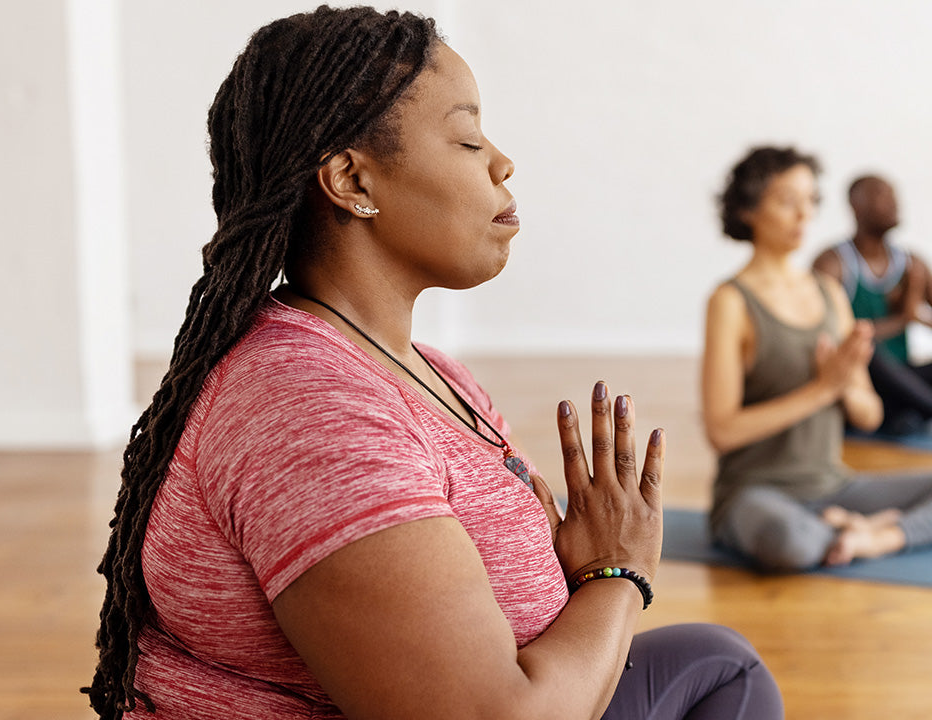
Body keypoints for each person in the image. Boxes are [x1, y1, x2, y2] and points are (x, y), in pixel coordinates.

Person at [84, 7, 783, 719]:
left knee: (719, 667)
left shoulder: (430, 371)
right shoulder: (310, 408)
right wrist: (618, 571)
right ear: (352, 181)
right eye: (467, 138)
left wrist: (567, 570)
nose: (502, 162)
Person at [702, 146, 932, 572]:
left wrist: (847, 385)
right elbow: (722, 431)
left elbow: (869, 414)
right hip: (756, 493)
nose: (803, 215)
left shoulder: (829, 294)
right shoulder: (730, 301)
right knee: (792, 542)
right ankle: (850, 530)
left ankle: (874, 537)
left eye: (810, 201)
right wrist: (821, 389)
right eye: (787, 201)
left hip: (834, 486)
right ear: (749, 209)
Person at [812, 175, 932, 435]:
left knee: (902, 381)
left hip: (906, 377)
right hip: (862, 382)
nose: (893, 203)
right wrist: (903, 320)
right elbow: (827, 336)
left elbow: (918, 314)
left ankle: (909, 413)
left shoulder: (913, 264)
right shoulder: (832, 264)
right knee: (865, 348)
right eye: (881, 195)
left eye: (893, 195)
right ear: (856, 205)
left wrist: (917, 314)